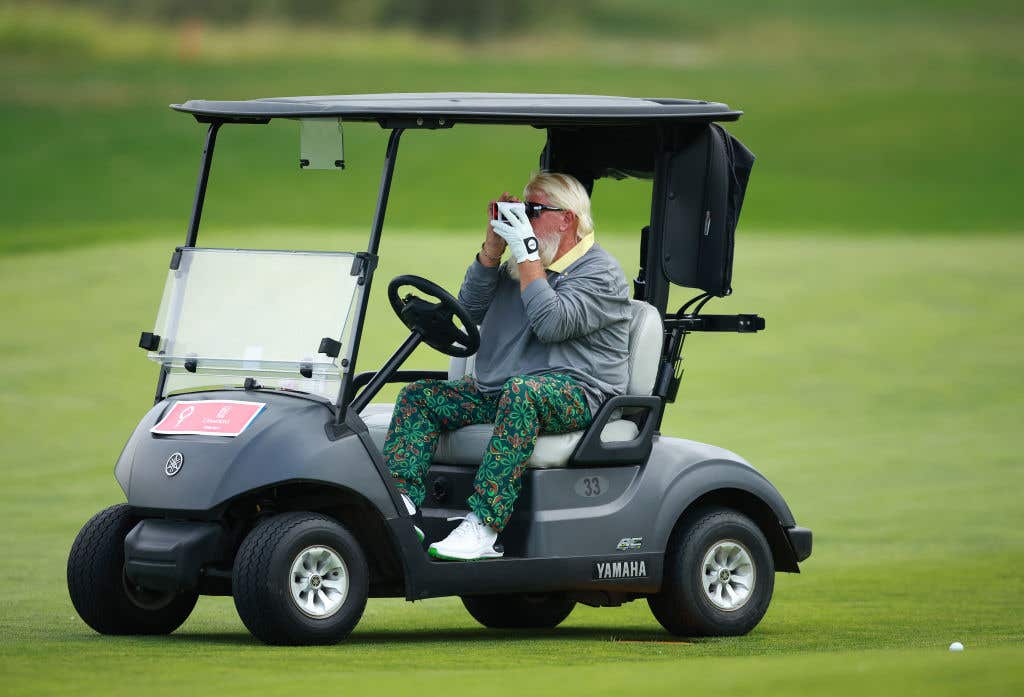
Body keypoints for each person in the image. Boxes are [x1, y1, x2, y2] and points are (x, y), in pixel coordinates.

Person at [382, 172, 631, 560]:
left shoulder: (600, 272)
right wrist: (492, 250)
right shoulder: (522, 262)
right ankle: (403, 508)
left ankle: (485, 525)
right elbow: (470, 308)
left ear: (567, 219)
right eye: (519, 211)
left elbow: (551, 323)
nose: (524, 220)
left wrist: (527, 254)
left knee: (522, 394)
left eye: (533, 211)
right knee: (419, 397)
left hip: (579, 391)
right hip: (504, 389)